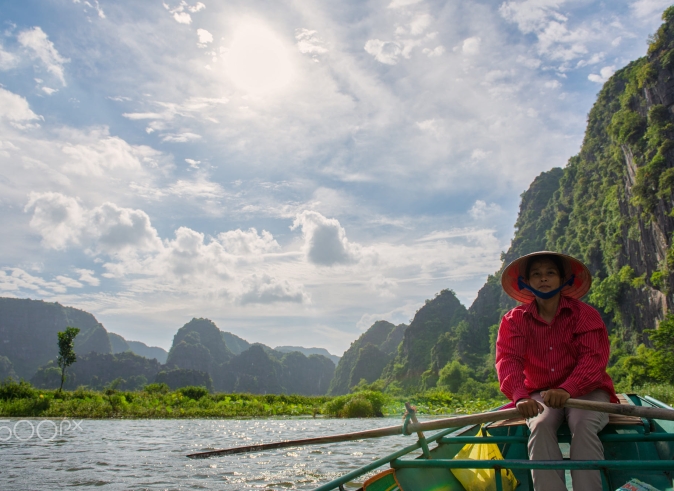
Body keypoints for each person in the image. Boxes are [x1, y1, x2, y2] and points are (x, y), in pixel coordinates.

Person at [495, 251, 618, 491]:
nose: (543, 278)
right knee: (540, 425)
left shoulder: (585, 315)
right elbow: (509, 360)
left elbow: (593, 360)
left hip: (588, 391)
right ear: (526, 282)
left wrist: (567, 389)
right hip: (541, 393)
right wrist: (520, 396)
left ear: (563, 279)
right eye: (536, 274)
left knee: (582, 424)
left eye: (550, 273)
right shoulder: (514, 320)